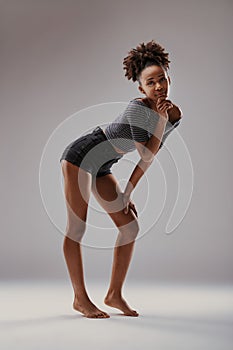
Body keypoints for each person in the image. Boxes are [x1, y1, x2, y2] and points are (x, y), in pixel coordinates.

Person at [60, 39, 183, 319]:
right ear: (141, 88)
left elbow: (151, 156)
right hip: (81, 155)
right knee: (77, 229)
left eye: (162, 79)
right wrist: (160, 123)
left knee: (129, 227)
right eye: (151, 83)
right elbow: (145, 151)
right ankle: (80, 299)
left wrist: (127, 192)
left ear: (168, 77)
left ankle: (114, 294)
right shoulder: (138, 109)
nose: (159, 87)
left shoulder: (173, 113)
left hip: (104, 163)